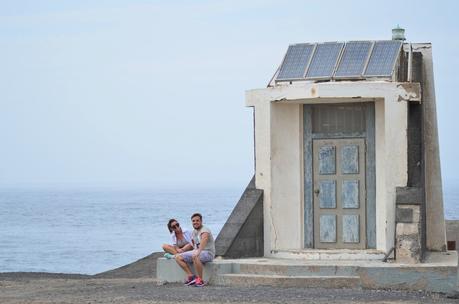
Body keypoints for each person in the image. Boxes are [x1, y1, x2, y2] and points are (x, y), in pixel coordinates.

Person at [175, 213, 215, 287]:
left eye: (197, 220)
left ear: (201, 221)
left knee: (195, 256)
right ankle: (191, 277)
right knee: (178, 257)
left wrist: (198, 252)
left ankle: (200, 280)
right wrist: (183, 249)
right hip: (198, 252)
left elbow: (204, 240)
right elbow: (192, 244)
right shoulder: (194, 232)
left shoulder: (205, 230)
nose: (195, 222)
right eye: (193, 221)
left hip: (208, 253)